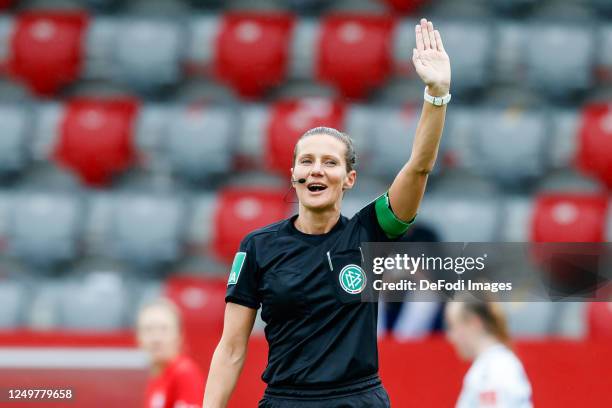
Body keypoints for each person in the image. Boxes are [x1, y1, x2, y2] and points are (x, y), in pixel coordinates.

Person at [203, 18, 451, 408]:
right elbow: (232, 348)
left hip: (356, 399)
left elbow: (418, 167)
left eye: (329, 163)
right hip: (285, 400)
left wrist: (436, 95)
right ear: (294, 174)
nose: (316, 169)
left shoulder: (371, 234)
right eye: (306, 161)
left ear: (349, 178)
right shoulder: (258, 247)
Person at [445, 301, 533, 408]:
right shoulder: (491, 365)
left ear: (474, 323)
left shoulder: (494, 368)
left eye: (453, 326)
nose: (450, 337)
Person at [138, 298, 204, 408]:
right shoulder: (157, 378)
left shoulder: (184, 373)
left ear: (179, 335)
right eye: (148, 329)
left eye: (164, 329)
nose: (156, 338)